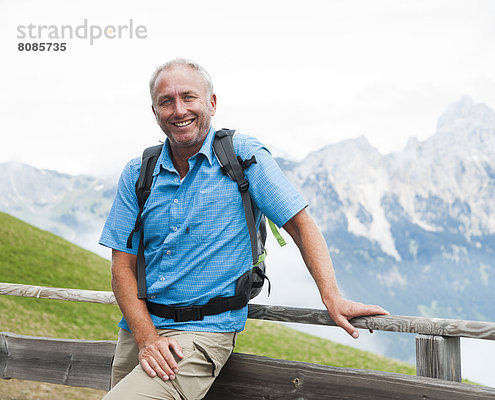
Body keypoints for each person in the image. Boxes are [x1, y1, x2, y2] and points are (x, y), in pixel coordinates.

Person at [99, 58, 388, 399]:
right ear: (155, 111)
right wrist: (146, 337)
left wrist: (332, 296)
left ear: (212, 103)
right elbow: (122, 267)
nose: (179, 110)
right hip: (138, 331)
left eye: (188, 97)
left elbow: (300, 224)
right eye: (167, 102)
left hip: (203, 331)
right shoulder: (138, 172)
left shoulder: (243, 156)